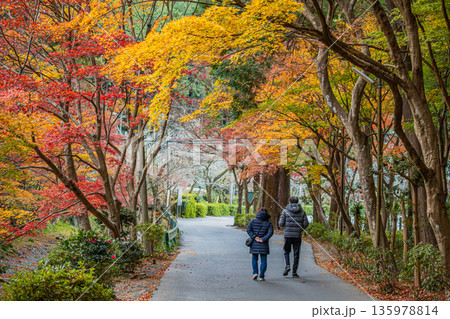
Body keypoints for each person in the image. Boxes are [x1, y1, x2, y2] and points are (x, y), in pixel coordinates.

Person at [279, 196, 309, 278]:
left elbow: (281, 224)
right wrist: (300, 228)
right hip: (297, 235)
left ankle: (287, 266)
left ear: (289, 202)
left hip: (288, 235)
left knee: (286, 251)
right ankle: (294, 272)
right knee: (296, 253)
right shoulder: (302, 212)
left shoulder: (285, 211)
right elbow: (306, 224)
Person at [246, 208, 274, 281]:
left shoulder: (253, 221)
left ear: (258, 213)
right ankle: (261, 276)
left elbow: (248, 229)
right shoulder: (268, 223)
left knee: (254, 258)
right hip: (263, 244)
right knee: (263, 260)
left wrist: (254, 237)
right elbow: (270, 233)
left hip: (254, 243)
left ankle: (255, 273)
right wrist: (263, 239)